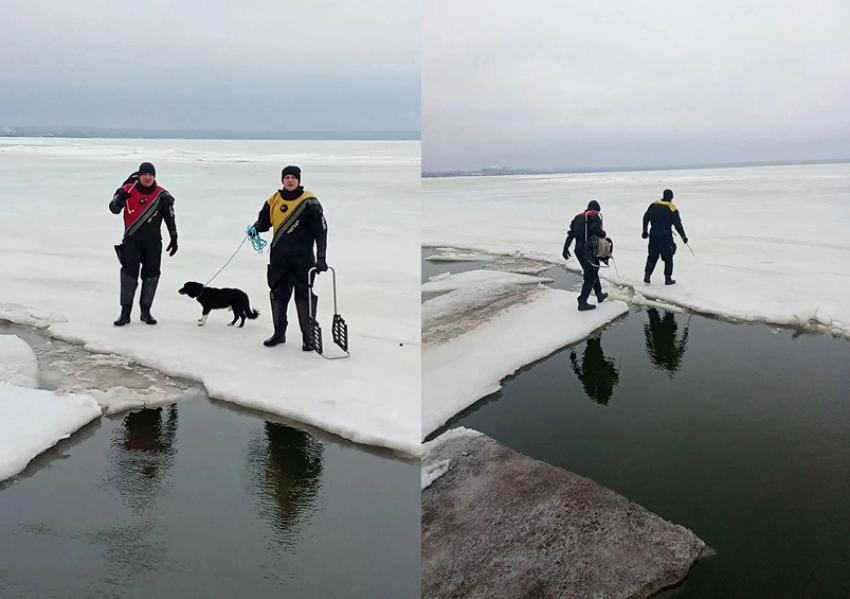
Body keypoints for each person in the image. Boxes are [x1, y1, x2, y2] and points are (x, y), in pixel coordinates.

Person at [249, 165, 328, 350]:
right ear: (282, 180)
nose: (290, 180)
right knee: (278, 296)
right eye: (287, 177)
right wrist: (255, 228)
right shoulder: (274, 200)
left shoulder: (309, 202)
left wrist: (321, 258)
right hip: (279, 260)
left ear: (298, 180)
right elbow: (264, 222)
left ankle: (308, 338)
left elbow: (321, 232)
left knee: (304, 298)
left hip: (303, 261)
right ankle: (279, 334)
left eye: (293, 177)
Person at [109, 162, 178, 326]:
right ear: (139, 176)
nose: (148, 177)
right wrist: (119, 200)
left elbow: (170, 218)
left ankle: (145, 312)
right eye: (145, 174)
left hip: (153, 243)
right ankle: (125, 314)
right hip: (131, 241)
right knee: (128, 276)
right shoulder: (127, 190)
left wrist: (174, 237)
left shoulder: (162, 195)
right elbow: (113, 209)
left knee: (151, 276)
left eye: (151, 174)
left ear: (154, 176)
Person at [562, 200, 609, 311]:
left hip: (578, 250)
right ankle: (582, 301)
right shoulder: (594, 217)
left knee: (593, 271)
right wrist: (603, 233)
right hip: (589, 251)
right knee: (590, 276)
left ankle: (599, 294)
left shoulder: (578, 218)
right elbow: (596, 230)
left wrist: (565, 248)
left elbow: (571, 234)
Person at [642, 189, 687, 285]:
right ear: (671, 197)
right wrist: (683, 236)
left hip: (653, 235)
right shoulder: (672, 208)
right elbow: (677, 224)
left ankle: (647, 275)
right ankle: (668, 278)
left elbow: (645, 217)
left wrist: (645, 231)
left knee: (652, 255)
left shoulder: (654, 205)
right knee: (668, 257)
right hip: (665, 236)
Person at [569, 336, 620, 405]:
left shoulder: (592, 387)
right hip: (593, 364)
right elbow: (581, 377)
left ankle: (594, 335)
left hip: (592, 364)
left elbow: (581, 377)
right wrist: (574, 364)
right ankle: (594, 335)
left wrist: (574, 362)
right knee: (594, 345)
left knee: (594, 345)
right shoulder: (593, 388)